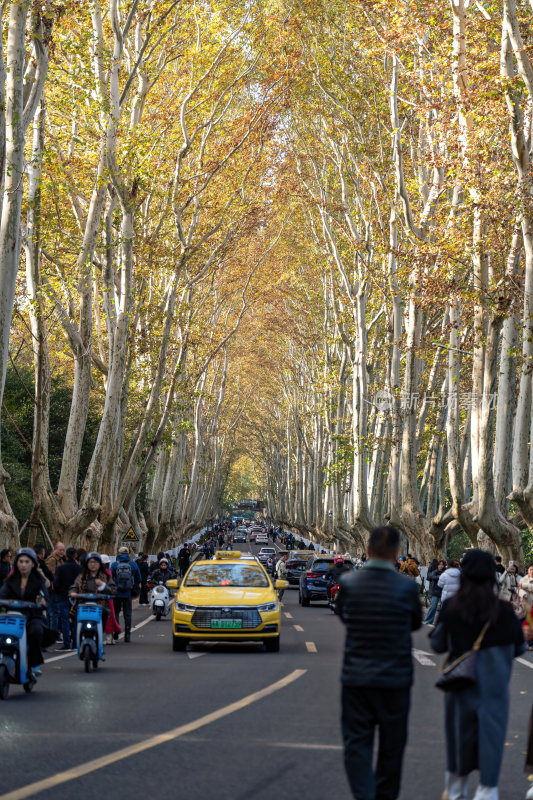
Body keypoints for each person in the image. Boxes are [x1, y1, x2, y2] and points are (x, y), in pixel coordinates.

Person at [429, 549, 525, 800]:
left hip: (461, 686)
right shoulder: (504, 611)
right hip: (494, 690)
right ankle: (487, 789)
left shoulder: (452, 607)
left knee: (459, 739)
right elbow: (520, 647)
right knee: (492, 740)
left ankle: (456, 789)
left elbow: (438, 644)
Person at [336, 525, 422, 800]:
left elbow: (342, 614)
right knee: (392, 748)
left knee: (356, 745)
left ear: (368, 550)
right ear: (397, 553)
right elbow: (416, 623)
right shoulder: (406, 587)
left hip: (356, 679)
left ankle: (364, 795)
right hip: (395, 680)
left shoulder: (349, 583)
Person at [0, 548, 49, 675]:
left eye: (27, 561)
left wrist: (41, 602)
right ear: (16, 563)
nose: (23, 564)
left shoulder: (39, 581)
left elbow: (43, 596)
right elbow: (2, 595)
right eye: (21, 561)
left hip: (32, 617)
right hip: (11, 617)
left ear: (33, 563)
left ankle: (34, 664)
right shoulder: (10, 581)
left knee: (36, 631)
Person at [70, 552, 116, 636]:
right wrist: (73, 593)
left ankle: (100, 639)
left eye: (95, 562)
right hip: (83, 605)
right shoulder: (81, 576)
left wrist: (103, 586)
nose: (93, 564)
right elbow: (74, 587)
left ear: (100, 564)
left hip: (99, 606)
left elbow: (113, 590)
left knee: (104, 614)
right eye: (90, 562)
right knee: (75, 618)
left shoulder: (105, 577)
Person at [52, 546, 81, 649]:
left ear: (66, 555)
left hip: (64, 596)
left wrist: (59, 592)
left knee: (65, 621)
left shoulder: (61, 568)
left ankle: (66, 643)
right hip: (76, 597)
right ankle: (76, 643)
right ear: (76, 556)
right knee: (76, 620)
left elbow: (56, 583)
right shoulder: (79, 568)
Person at [110, 546, 141, 643]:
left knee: (115, 612)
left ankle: (116, 630)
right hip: (128, 593)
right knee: (127, 614)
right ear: (128, 554)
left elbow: (110, 578)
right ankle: (127, 635)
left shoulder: (114, 565)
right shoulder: (133, 564)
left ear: (118, 553)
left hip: (116, 593)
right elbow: (139, 578)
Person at [45, 541, 66, 637]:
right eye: (60, 550)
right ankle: (53, 634)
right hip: (52, 590)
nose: (62, 552)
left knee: (53, 613)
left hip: (57, 589)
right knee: (54, 613)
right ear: (55, 549)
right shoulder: (52, 560)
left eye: (63, 550)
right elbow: (51, 574)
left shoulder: (61, 559)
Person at [425, 559, 446, 625]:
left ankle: (442, 623)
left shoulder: (445, 572)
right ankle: (428, 620)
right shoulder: (434, 571)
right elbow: (433, 577)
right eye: (439, 564)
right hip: (435, 591)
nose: (440, 566)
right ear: (437, 565)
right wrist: (441, 577)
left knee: (444, 608)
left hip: (443, 591)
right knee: (433, 607)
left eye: (442, 565)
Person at [519, 564, 533, 651]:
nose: (532, 571)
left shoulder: (523, 582)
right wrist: (523, 594)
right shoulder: (523, 579)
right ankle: (527, 643)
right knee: (527, 625)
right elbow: (519, 589)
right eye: (530, 569)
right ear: (528, 570)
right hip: (527, 605)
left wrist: (524, 586)